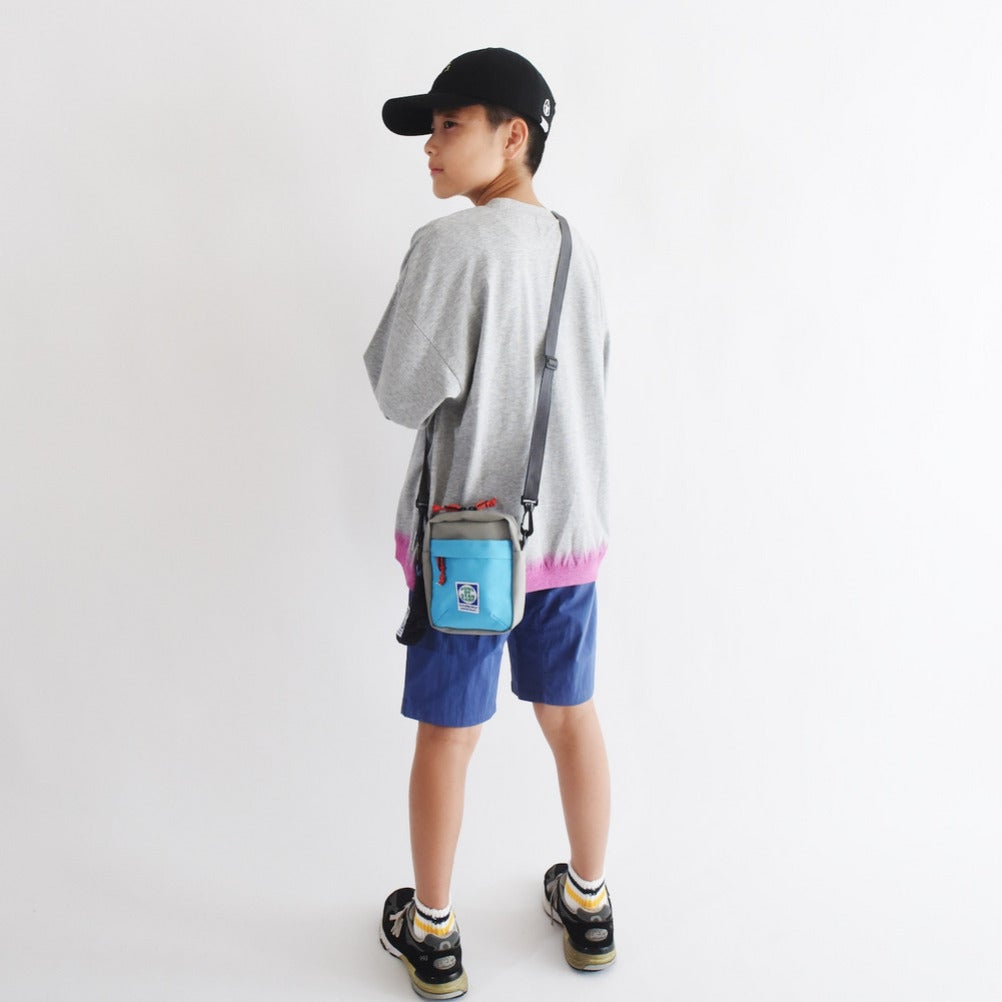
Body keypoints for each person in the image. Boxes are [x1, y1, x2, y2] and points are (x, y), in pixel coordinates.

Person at [364, 47, 614, 999]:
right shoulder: (578, 251)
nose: (429, 146)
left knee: (449, 734)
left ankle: (431, 933)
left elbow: (400, 392)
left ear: (514, 136)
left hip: (468, 544)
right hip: (568, 538)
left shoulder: (449, 246)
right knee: (571, 717)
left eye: (448, 125)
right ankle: (588, 903)